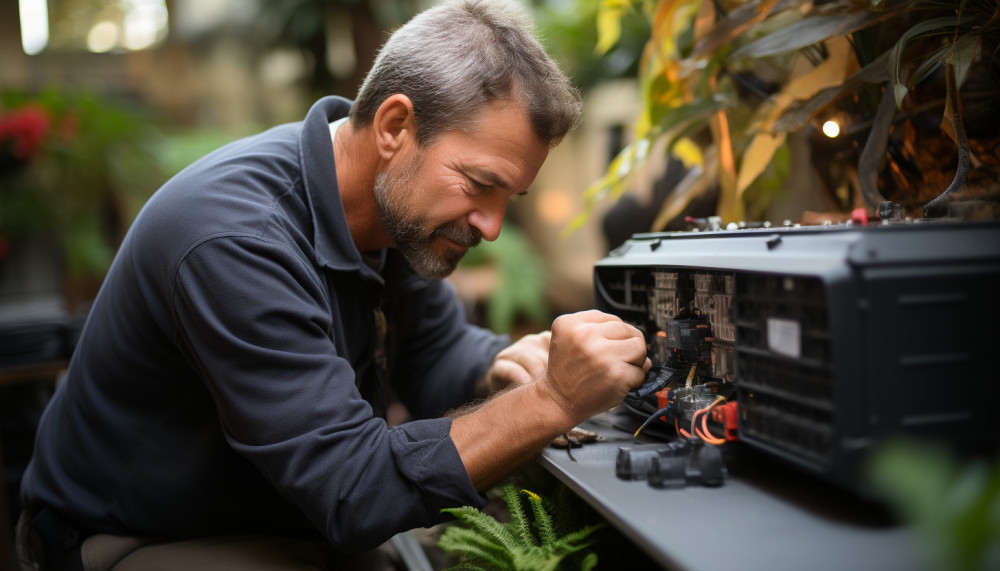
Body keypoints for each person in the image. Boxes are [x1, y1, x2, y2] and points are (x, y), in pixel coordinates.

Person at [16, 1, 650, 569]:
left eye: (510, 196)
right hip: (132, 539)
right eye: (480, 184)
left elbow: (435, 357)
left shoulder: (394, 217)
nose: (491, 225)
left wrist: (508, 367)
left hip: (282, 513)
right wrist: (552, 402)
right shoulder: (235, 239)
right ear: (395, 127)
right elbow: (354, 494)